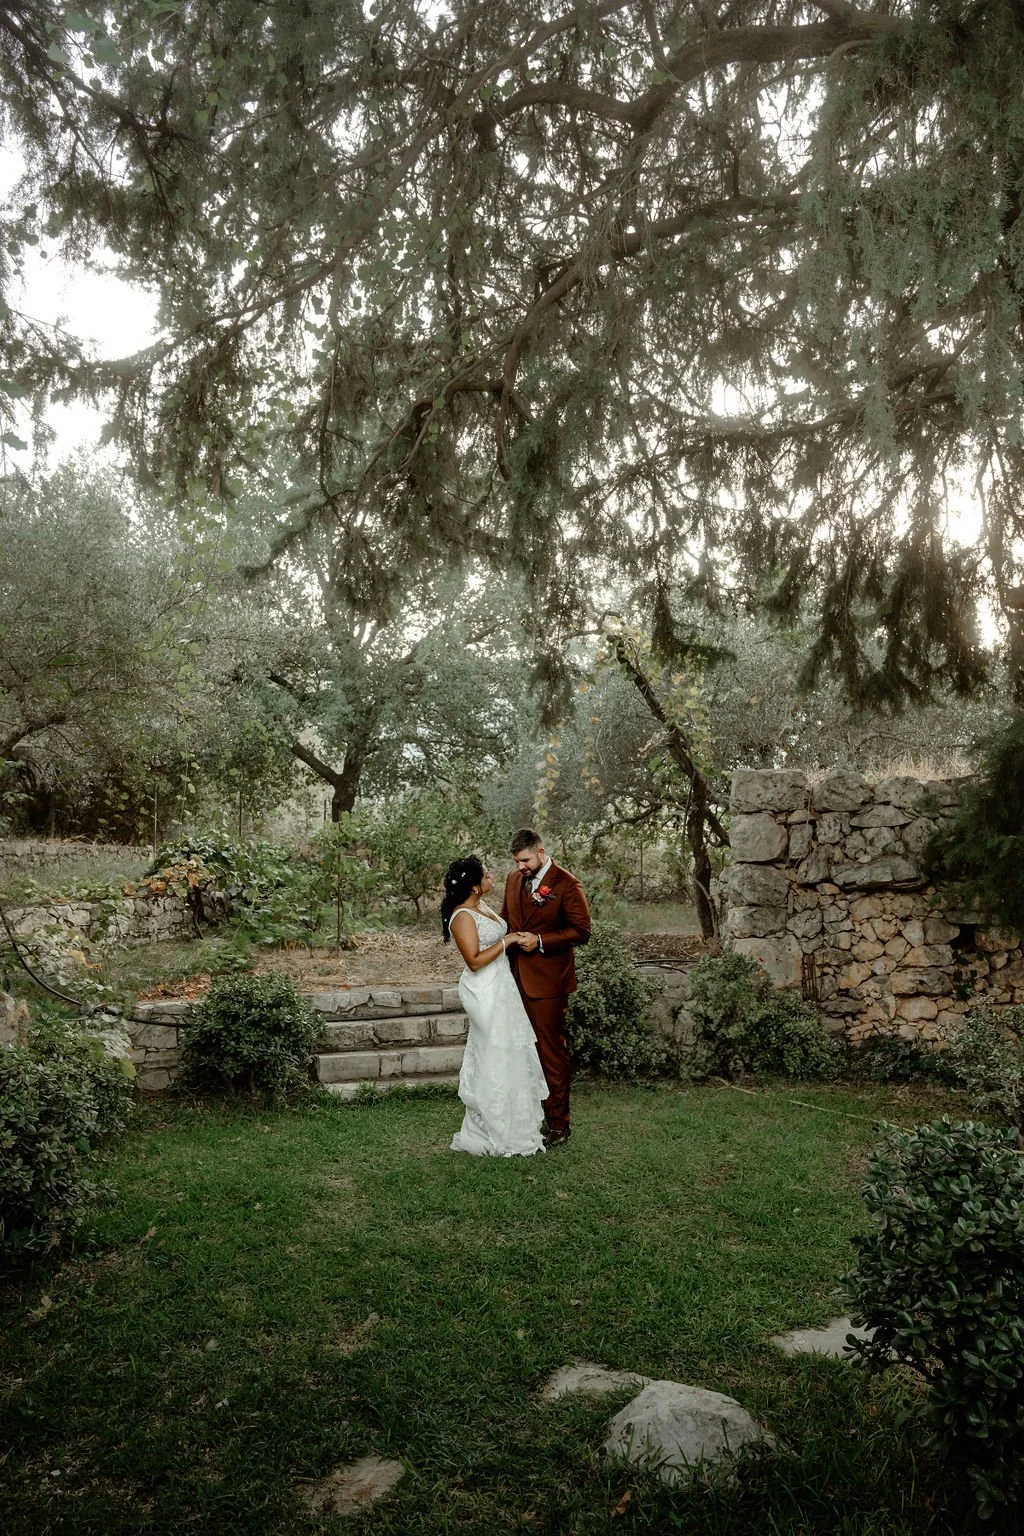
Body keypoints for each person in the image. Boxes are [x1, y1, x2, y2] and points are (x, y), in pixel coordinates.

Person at [441, 855, 548, 1157]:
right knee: (493, 1053)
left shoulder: (482, 907)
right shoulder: (462, 916)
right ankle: (490, 1126)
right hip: (482, 990)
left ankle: (516, 1125)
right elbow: (474, 961)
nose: (492, 880)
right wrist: (509, 940)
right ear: (475, 887)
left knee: (511, 1051)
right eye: (487, 876)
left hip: (502, 987)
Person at [500, 828, 591, 1147]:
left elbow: (581, 931)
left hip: (549, 985)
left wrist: (539, 941)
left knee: (550, 1052)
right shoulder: (513, 881)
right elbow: (505, 923)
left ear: (541, 852)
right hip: (514, 981)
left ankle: (558, 1123)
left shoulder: (567, 883)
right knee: (520, 1051)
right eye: (516, 862)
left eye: (524, 860)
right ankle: (527, 1116)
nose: (520, 867)